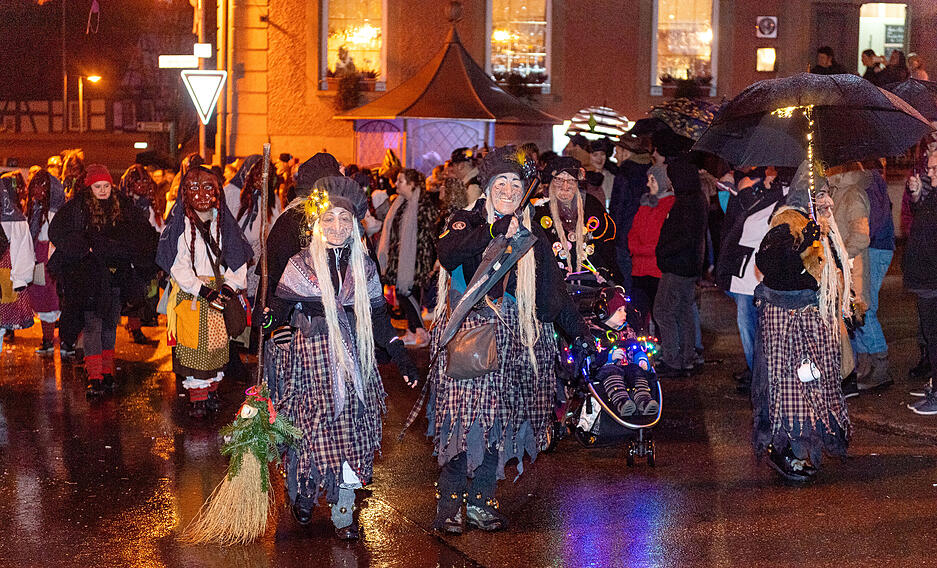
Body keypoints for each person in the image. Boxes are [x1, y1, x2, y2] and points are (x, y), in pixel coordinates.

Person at [426, 145, 590, 534]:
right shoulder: (464, 220)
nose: (509, 189)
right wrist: (493, 231)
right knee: (462, 424)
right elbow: (448, 253)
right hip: (469, 336)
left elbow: (554, 294)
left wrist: (580, 333)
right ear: (487, 187)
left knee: (499, 423)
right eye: (501, 182)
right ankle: (449, 505)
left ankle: (482, 501)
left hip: (514, 338)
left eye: (516, 183)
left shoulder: (530, 238)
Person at [267, 174, 417, 540]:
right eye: (329, 219)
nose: (337, 226)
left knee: (352, 433)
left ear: (355, 225)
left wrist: (400, 354)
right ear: (317, 223)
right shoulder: (299, 263)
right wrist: (271, 316)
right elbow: (280, 304)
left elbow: (379, 317)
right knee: (311, 431)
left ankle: (344, 509)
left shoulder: (364, 267)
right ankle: (305, 491)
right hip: (310, 363)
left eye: (344, 220)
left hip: (355, 360)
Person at [752, 161, 852, 482]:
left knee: (813, 384)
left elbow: (830, 268)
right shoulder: (788, 222)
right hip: (785, 320)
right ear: (805, 195)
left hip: (813, 318)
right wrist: (800, 241)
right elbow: (767, 262)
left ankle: (807, 445)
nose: (828, 202)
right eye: (820, 194)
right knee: (787, 387)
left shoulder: (823, 224)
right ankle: (787, 449)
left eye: (827, 194)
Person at [48, 164, 157, 396]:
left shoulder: (122, 204)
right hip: (88, 278)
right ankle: (94, 375)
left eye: (107, 186)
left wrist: (131, 252)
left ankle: (107, 372)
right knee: (92, 325)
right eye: (98, 186)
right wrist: (83, 248)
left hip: (115, 276)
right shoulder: (78, 206)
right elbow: (57, 231)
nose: (103, 190)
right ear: (90, 187)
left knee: (109, 324)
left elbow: (142, 231)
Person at [155, 165, 252, 417]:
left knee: (219, 346)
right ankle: (197, 395)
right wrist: (203, 291)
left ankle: (212, 390)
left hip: (220, 293)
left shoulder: (224, 224)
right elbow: (179, 266)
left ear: (217, 191)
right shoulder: (183, 227)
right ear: (185, 193)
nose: (201, 195)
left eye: (208, 187)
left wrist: (229, 287)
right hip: (194, 296)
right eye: (194, 189)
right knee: (194, 347)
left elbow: (238, 261)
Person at [715, 167, 785, 392]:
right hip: (747, 274)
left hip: (759, 275)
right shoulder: (770, 192)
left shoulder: (786, 195)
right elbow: (736, 220)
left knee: (754, 328)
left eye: (773, 172)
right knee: (749, 327)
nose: (768, 176)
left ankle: (761, 379)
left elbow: (760, 225)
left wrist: (744, 193)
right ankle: (757, 374)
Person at [653, 159, 708, 377]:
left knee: (664, 311)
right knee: (683, 311)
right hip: (688, 266)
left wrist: (663, 252)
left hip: (677, 265)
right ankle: (686, 358)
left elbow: (683, 236)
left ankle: (672, 359)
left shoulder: (686, 202)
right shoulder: (696, 198)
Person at [377, 168, 439, 346]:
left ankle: (421, 331)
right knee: (401, 293)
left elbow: (432, 233)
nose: (396, 184)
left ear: (411, 184)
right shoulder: (400, 202)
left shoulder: (424, 204)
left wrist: (434, 259)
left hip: (416, 258)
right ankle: (412, 331)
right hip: (399, 257)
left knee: (407, 294)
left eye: (400, 181)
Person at [533, 156, 620, 283]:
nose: (565, 186)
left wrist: (604, 269)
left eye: (571, 180)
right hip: (551, 285)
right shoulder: (539, 210)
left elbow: (607, 248)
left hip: (590, 283)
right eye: (559, 179)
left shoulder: (592, 206)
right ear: (551, 181)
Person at [825, 163, 872, 397]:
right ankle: (848, 376)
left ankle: (851, 378)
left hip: (851, 271)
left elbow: (861, 237)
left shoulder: (852, 194)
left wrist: (838, 255)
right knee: (844, 326)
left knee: (849, 323)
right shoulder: (835, 192)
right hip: (840, 270)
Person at [589, 287, 657, 417]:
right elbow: (594, 359)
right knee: (611, 372)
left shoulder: (628, 332)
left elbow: (636, 348)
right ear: (604, 312)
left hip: (629, 368)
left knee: (638, 371)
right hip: (607, 371)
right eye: (619, 310)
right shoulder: (597, 334)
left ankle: (644, 400)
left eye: (625, 310)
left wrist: (641, 359)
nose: (624, 314)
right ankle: (622, 402)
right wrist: (609, 357)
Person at [904, 154, 937, 415]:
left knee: (934, 336)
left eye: (935, 169)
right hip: (925, 279)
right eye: (929, 168)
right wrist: (916, 195)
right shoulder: (934, 194)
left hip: (931, 278)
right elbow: (922, 216)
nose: (930, 173)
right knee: (930, 335)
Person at [118, 165, 164, 344]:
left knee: (147, 294)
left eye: (145, 181)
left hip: (147, 256)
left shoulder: (152, 203)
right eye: (138, 181)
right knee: (133, 296)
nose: (142, 185)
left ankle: (138, 325)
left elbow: (159, 227)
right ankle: (134, 328)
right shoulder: (124, 205)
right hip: (130, 258)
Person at [628, 164, 675, 334]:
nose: (648, 184)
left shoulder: (670, 205)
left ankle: (664, 350)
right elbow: (632, 235)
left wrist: (639, 250)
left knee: (660, 315)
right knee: (638, 313)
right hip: (639, 271)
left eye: (652, 180)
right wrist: (636, 248)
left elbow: (659, 241)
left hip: (657, 271)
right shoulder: (645, 204)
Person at [24, 170, 65, 353]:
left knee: (53, 297)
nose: (37, 190)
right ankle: (47, 339)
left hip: (51, 256)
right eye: (35, 185)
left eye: (42, 186)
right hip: (39, 255)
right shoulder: (35, 209)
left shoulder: (55, 212)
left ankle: (62, 341)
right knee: (42, 296)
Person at [609, 134, 653, 291]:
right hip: (644, 236)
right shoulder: (649, 171)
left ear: (626, 152)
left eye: (617, 151)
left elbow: (618, 207)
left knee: (624, 281)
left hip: (624, 235)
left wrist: (613, 234)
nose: (614, 155)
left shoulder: (625, 173)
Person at [0, 174, 35, 350]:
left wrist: (21, 278)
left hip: (7, 276)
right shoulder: (17, 218)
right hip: (9, 276)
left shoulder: (17, 220)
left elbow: (24, 250)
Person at [586, 138, 616, 208]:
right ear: (588, 156)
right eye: (595, 155)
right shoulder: (582, 178)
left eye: (602, 154)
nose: (599, 158)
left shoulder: (612, 177)